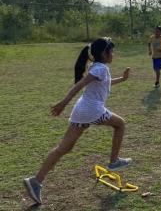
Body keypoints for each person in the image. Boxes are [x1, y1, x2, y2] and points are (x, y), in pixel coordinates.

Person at [23, 37, 132, 205]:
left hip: (82, 110)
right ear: (105, 53)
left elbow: (104, 83)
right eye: (112, 51)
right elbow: (80, 84)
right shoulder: (100, 68)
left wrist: (122, 79)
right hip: (92, 109)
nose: (114, 54)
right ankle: (113, 162)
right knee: (120, 124)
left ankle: (35, 181)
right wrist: (63, 102)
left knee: (63, 148)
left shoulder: (98, 67)